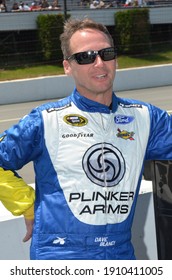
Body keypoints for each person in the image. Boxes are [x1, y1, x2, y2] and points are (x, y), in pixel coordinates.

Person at [0, 17, 172, 260]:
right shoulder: (45, 120)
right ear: (67, 66)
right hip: (59, 255)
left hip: (119, 254)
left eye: (107, 53)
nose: (99, 63)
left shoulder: (146, 118)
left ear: (116, 59)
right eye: (85, 57)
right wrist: (27, 205)